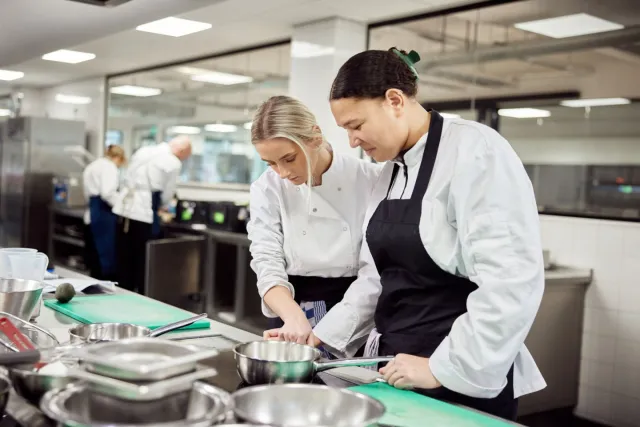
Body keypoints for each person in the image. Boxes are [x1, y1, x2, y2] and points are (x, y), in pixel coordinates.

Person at [315, 47, 546, 420]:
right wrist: (324, 336)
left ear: (394, 100)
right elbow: (378, 278)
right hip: (398, 368)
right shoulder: (391, 169)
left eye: (356, 126)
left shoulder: (475, 150)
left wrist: (441, 368)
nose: (352, 142)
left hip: (457, 370)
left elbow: (511, 281)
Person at [247, 95, 382, 352]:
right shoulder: (268, 187)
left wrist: (327, 331)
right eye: (271, 163)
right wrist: (294, 317)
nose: (283, 173)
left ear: (316, 137)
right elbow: (266, 260)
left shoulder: (370, 179)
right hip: (292, 307)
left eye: (288, 158)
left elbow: (374, 273)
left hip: (356, 308)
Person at [112, 135, 192, 292]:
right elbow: (167, 194)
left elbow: (127, 176)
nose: (182, 159)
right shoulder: (172, 162)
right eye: (184, 156)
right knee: (142, 262)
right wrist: (163, 206)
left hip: (123, 210)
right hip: (143, 214)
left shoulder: (144, 150)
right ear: (181, 150)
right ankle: (140, 297)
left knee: (123, 259)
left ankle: (121, 295)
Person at [82, 144, 125, 281]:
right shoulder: (109, 167)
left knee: (95, 252)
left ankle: (95, 282)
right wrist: (121, 207)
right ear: (118, 157)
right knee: (106, 253)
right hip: (103, 213)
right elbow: (108, 193)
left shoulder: (92, 166)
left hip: (92, 211)